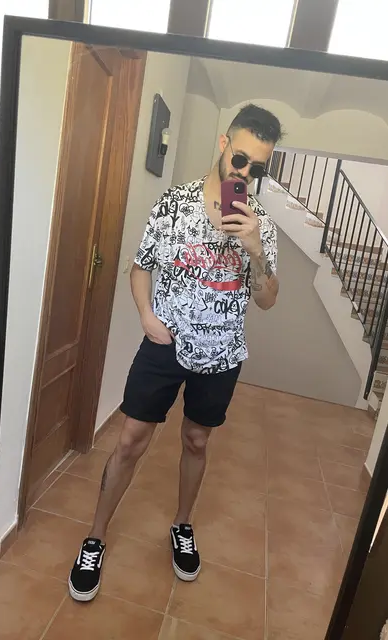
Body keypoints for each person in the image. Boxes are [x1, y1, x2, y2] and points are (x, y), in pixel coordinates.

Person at [69, 103, 283, 602]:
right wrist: (147, 316)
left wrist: (255, 248)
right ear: (224, 144)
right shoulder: (173, 204)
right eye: (241, 159)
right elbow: (140, 267)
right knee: (129, 442)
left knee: (196, 441)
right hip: (164, 345)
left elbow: (268, 300)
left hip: (222, 352)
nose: (244, 174)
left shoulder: (262, 225)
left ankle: (181, 525)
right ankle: (95, 537)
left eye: (257, 168)